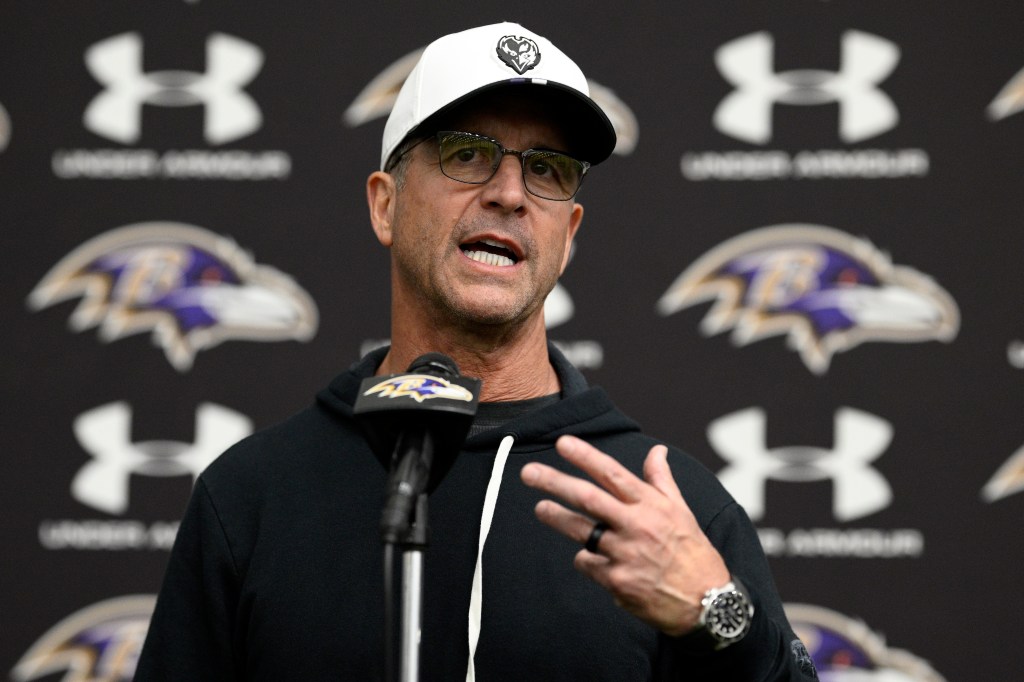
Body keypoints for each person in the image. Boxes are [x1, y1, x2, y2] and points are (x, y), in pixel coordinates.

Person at [136, 22, 818, 681]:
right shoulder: (254, 496)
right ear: (385, 204)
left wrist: (717, 615)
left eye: (548, 169)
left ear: (568, 233)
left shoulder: (664, 509)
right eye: (467, 154)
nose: (511, 194)